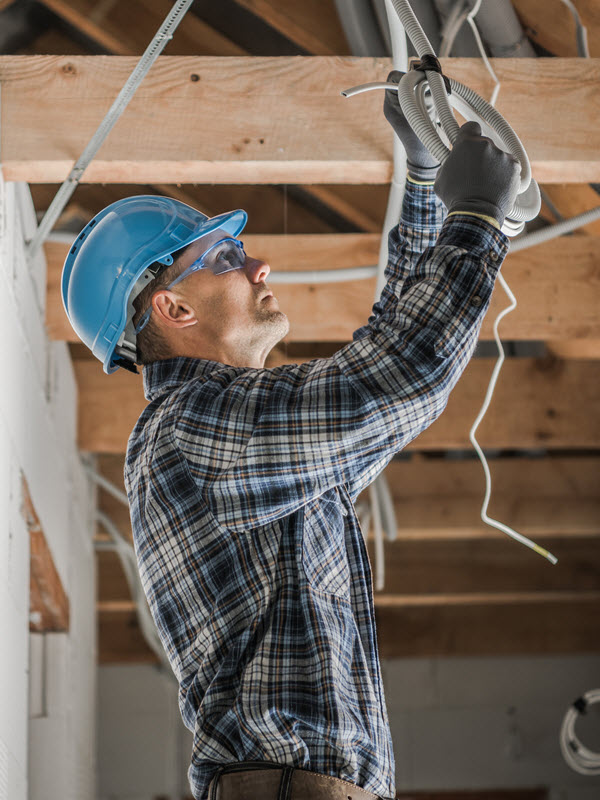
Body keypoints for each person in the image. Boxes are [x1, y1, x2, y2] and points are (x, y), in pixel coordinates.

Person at [62, 72, 520, 800]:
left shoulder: (227, 436)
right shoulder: (194, 430)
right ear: (173, 306)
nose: (257, 264)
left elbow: (389, 353)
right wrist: (476, 223)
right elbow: (401, 377)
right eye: (223, 258)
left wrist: (432, 187)